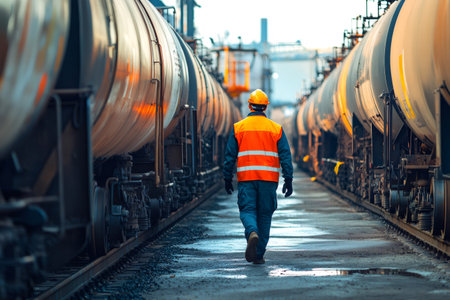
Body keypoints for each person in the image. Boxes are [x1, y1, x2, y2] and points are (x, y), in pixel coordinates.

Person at [223, 89, 293, 264]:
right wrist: (288, 179)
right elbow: (285, 155)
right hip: (268, 181)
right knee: (265, 215)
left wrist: (227, 178)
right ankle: (259, 254)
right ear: (265, 107)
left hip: (247, 179)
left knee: (247, 210)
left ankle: (251, 232)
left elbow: (229, 156)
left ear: (250, 105)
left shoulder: (239, 128)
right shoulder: (275, 129)